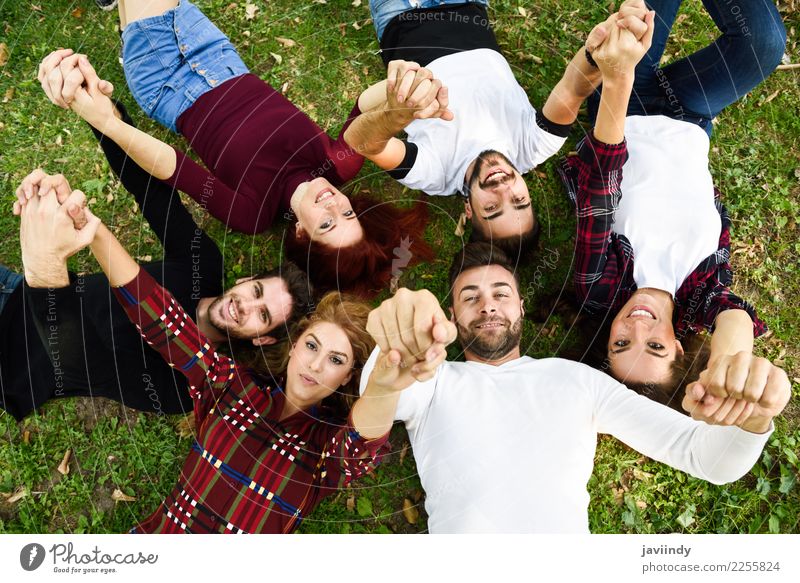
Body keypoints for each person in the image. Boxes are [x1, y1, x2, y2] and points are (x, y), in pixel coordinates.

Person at [17, 188, 390, 534]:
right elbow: (163, 320)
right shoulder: (233, 385)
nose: (315, 364)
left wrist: (392, 376)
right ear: (293, 348)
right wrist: (93, 229)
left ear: (346, 378)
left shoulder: (326, 450)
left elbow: (363, 443)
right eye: (312, 346)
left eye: (336, 359)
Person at [352, 241, 791, 533]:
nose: (488, 304)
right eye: (470, 297)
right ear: (451, 315)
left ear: (521, 307)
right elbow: (370, 422)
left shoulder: (577, 379)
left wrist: (753, 418)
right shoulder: (432, 378)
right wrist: (391, 357)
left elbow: (704, 458)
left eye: (501, 293)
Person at [36, 0, 434, 297]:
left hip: (167, 85)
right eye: (347, 212)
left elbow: (172, 167)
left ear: (301, 232)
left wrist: (107, 122)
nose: (333, 204)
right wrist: (403, 83)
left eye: (327, 223)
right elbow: (363, 109)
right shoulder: (337, 167)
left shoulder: (253, 213)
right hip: (218, 56)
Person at [3, 105, 312, 420]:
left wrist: (45, 268)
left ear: (263, 338)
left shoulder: (188, 384)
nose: (245, 306)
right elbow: (151, 193)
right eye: (257, 292)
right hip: (16, 291)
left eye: (263, 314)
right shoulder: (203, 267)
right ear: (246, 281)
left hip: (11, 364)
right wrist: (102, 114)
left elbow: (83, 365)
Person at [559, 0, 786, 407]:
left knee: (640, 17)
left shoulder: (600, 287)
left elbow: (600, 182)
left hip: (626, 104)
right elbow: (736, 316)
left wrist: (619, 76)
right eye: (655, 348)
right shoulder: (698, 299)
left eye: (623, 343)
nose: (638, 327)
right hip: (692, 116)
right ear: (679, 348)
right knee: (764, 46)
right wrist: (728, 363)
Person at [343, 0, 652, 263]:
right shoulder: (535, 146)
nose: (504, 190)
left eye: (492, 208)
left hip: (401, 15)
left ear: (468, 211)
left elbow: (365, 142)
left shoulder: (434, 174)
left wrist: (398, 113)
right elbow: (575, 87)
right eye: (519, 201)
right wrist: (601, 47)